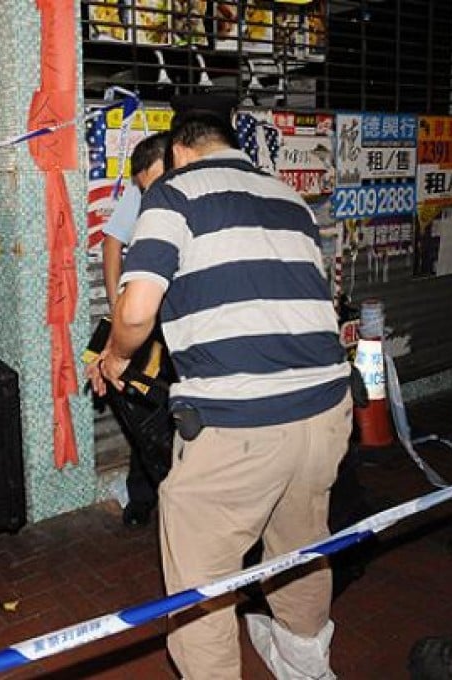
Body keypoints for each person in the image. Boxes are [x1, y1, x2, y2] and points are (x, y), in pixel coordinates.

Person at [88, 111, 352, 679]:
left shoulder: (173, 194)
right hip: (327, 409)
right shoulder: (287, 197)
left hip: (241, 420)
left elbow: (135, 310)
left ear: (179, 153)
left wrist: (113, 357)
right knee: (300, 545)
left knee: (199, 578)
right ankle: (307, 665)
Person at [100, 132, 173, 527]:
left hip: (192, 323)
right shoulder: (147, 187)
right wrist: (118, 310)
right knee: (142, 406)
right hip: (148, 319)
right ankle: (144, 495)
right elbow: (112, 242)